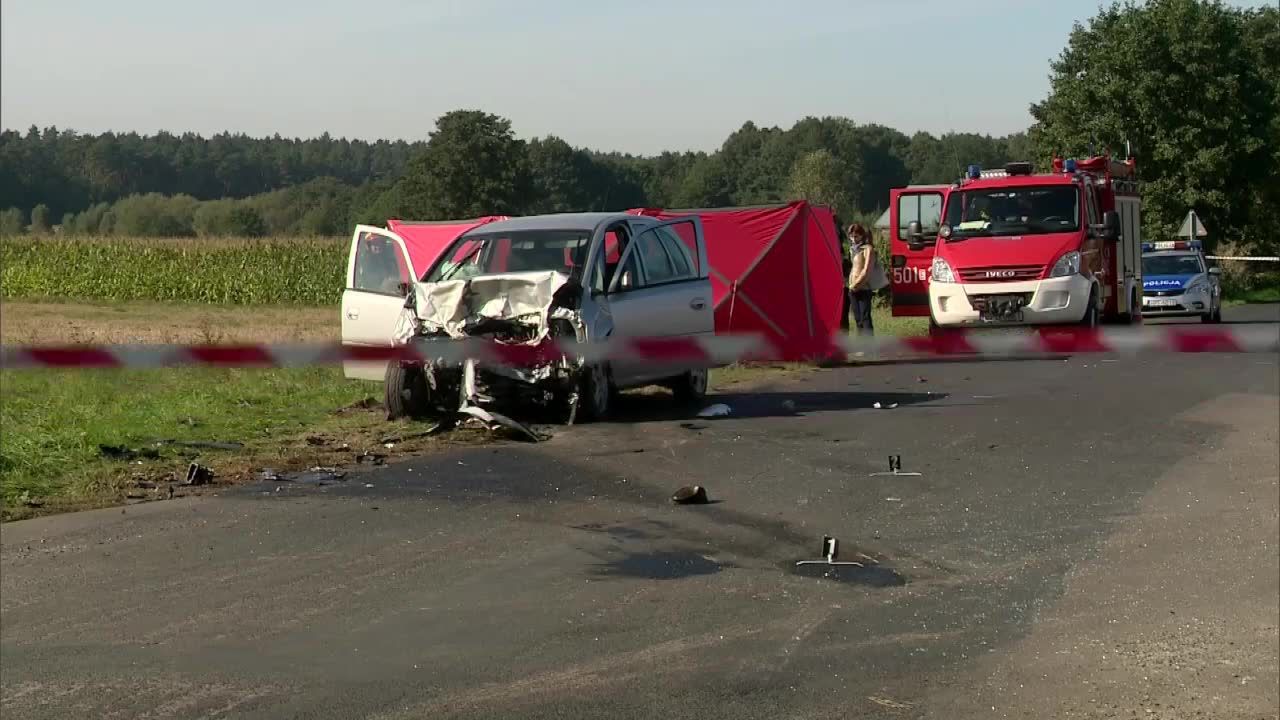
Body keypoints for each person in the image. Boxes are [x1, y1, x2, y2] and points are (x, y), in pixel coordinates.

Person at [847, 223, 888, 336]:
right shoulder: (853, 249)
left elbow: (866, 271)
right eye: (851, 236)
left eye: (856, 236)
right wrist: (851, 286)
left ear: (862, 236)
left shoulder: (868, 249)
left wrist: (856, 285)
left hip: (864, 288)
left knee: (865, 318)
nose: (853, 239)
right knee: (858, 319)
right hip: (852, 288)